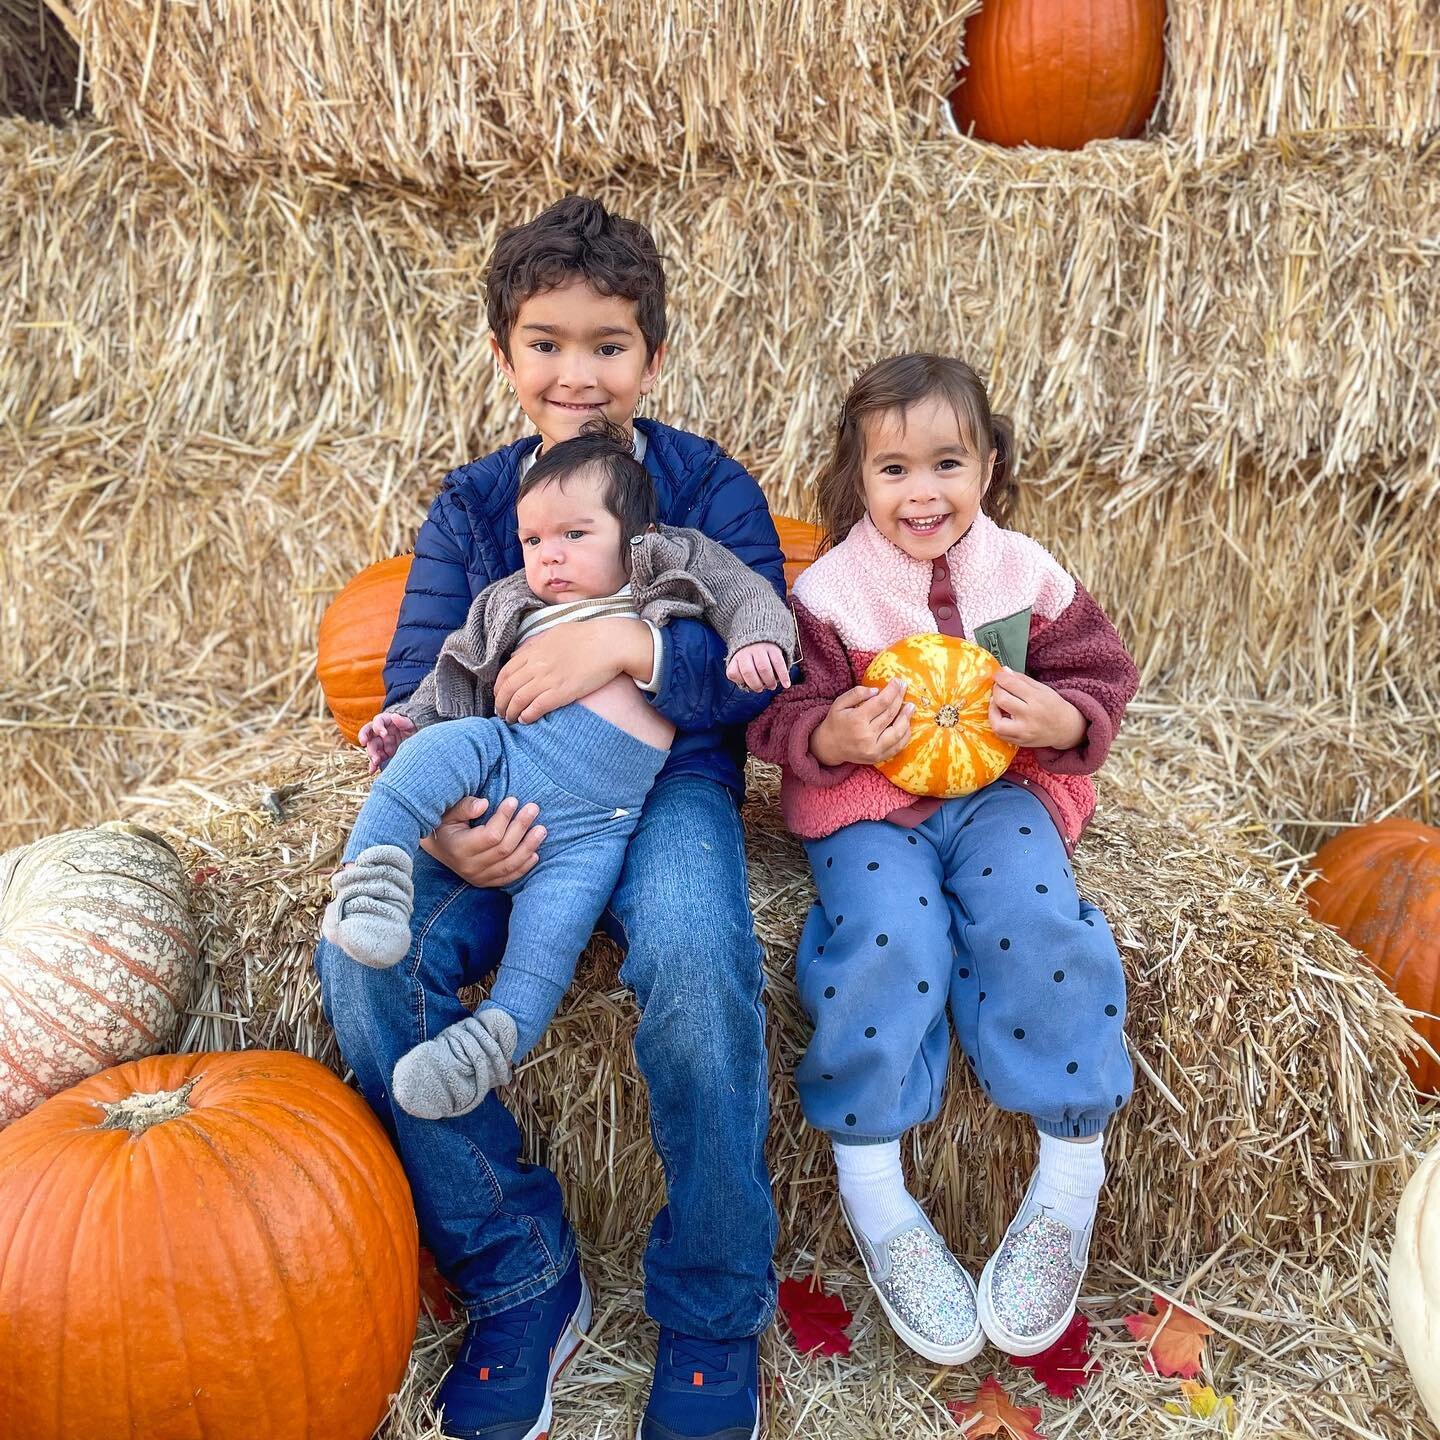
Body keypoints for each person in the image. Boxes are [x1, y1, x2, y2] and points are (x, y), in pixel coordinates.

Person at [313, 196, 783, 1440]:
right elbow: (426, 670)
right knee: (362, 961)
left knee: (695, 957)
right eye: (546, 343)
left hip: (669, 786)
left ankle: (713, 1303)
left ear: (656, 356)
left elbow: (760, 674)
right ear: (504, 353)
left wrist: (632, 643)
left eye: (609, 345)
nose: (578, 374)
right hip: (508, 788)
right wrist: (446, 824)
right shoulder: (474, 509)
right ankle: (521, 1269)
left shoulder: (708, 488)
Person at [748, 353, 1139, 1364]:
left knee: (1036, 918)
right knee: (890, 932)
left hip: (1002, 790)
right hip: (874, 806)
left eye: (947, 463)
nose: (922, 491)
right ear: (857, 477)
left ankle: (1066, 1184)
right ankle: (878, 1196)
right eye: (894, 470)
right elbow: (781, 710)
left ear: (988, 463)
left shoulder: (1027, 575)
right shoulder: (831, 593)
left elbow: (1101, 673)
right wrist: (831, 737)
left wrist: (1064, 717)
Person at [322, 422, 795, 1124]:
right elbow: (450, 670)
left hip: (594, 827)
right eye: (534, 541)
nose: (549, 557)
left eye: (574, 535)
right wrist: (408, 724)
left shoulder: (673, 562)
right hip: (504, 758)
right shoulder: (510, 600)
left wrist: (757, 642)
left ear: (636, 535)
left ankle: (491, 1041)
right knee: (431, 757)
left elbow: (751, 598)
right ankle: (371, 888)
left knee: (551, 932)